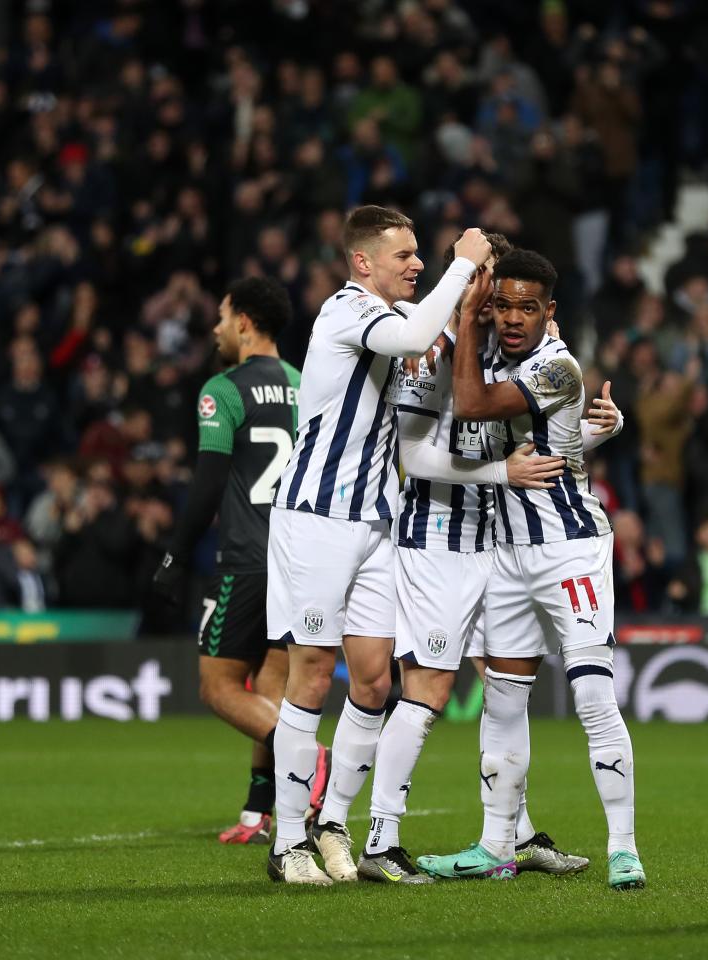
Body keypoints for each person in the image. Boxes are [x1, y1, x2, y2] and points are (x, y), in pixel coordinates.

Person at [264, 207, 559, 886]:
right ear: (363, 261)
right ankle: (287, 842)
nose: (418, 263)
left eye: (422, 256)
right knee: (310, 672)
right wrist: (464, 264)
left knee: (372, 681)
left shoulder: (410, 333)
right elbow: (420, 342)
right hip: (317, 515)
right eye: (405, 256)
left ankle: (336, 824)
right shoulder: (348, 310)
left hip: (375, 522)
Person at [355, 234, 623, 882]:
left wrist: (594, 431)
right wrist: (501, 473)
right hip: (440, 536)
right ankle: (372, 837)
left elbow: (536, 441)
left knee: (506, 698)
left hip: (497, 541)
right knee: (425, 690)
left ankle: (515, 835)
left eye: (505, 290)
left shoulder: (508, 355)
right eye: (487, 283)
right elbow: (415, 455)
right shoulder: (433, 353)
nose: (498, 303)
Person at [416, 249, 647, 891]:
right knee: (502, 697)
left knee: (593, 695)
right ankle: (496, 845)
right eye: (504, 305)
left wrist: (466, 316)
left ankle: (624, 848)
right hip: (505, 552)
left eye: (527, 307)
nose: (512, 319)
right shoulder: (489, 353)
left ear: (550, 313)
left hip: (568, 546)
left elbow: (470, 404)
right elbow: (547, 440)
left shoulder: (557, 365)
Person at [150, 277, 312, 845]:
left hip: (246, 556)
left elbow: (209, 481)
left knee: (218, 688)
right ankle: (258, 810)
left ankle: (315, 760)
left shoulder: (224, 388)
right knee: (272, 688)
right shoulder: (304, 384)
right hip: (301, 558)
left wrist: (174, 555)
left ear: (244, 322)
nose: (216, 328)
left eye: (221, 317)